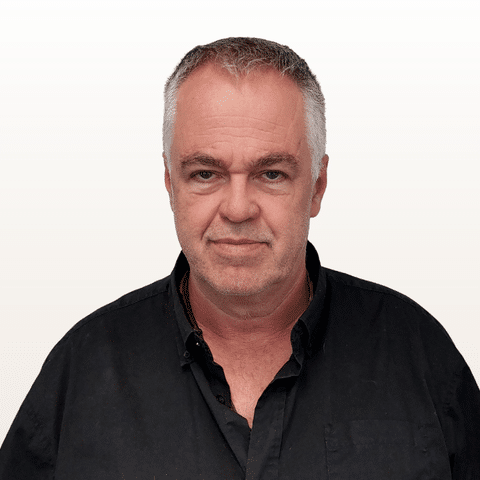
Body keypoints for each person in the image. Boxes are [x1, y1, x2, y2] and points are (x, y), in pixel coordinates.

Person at [0, 37, 479, 480]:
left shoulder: (420, 356)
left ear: (317, 186)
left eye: (271, 174)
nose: (237, 208)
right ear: (170, 184)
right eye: (205, 173)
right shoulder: (80, 372)